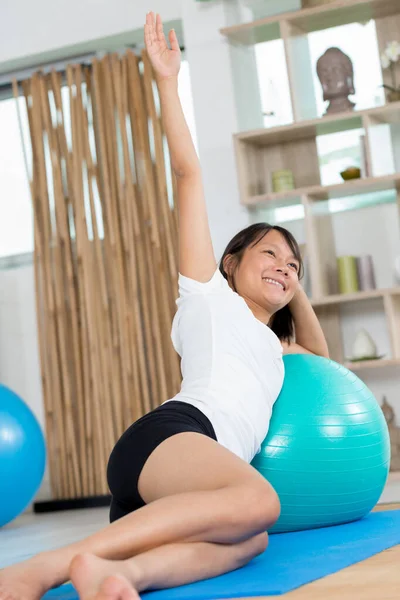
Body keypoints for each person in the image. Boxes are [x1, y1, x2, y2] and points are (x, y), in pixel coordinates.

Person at [0, 12, 329, 600]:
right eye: (270, 254)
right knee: (260, 501)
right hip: (170, 439)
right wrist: (166, 83)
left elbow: (325, 361)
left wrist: (291, 282)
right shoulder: (206, 294)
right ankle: (37, 570)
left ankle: (123, 574)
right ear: (230, 262)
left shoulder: (274, 344)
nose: (284, 266)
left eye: (294, 264)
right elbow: (188, 174)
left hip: (190, 486)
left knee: (251, 537)